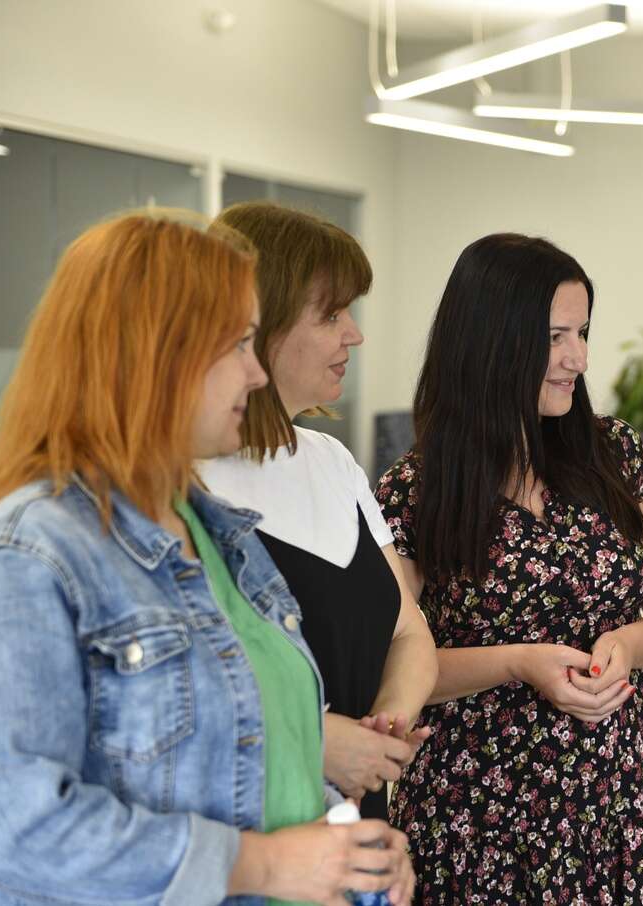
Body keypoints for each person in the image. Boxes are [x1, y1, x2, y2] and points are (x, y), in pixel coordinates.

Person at [0, 210, 414, 905]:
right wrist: (266, 865)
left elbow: (243, 752)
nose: (253, 370)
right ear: (159, 356)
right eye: (238, 343)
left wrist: (346, 844)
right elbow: (24, 832)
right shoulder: (21, 563)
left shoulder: (217, 534)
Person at [374, 233, 643, 903]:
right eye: (556, 336)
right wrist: (519, 661)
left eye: (582, 332)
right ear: (494, 340)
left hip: (618, 808)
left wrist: (627, 643)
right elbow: (393, 668)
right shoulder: (416, 489)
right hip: (472, 823)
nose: (578, 358)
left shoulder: (614, 452)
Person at [199, 202, 437, 819]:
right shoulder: (186, 488)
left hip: (354, 815)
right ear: (261, 325)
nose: (354, 334)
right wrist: (320, 743)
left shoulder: (332, 462)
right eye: (331, 314)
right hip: (252, 829)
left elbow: (409, 630)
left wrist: (388, 724)